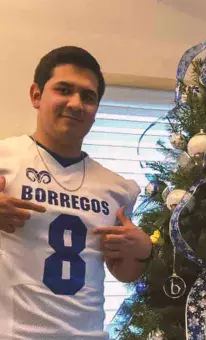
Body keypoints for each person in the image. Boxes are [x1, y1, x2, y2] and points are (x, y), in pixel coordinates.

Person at [0, 46, 152, 340]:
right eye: (64, 89)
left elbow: (124, 272)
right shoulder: (4, 158)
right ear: (36, 95)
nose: (76, 103)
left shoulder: (118, 188)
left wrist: (143, 252)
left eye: (88, 96)